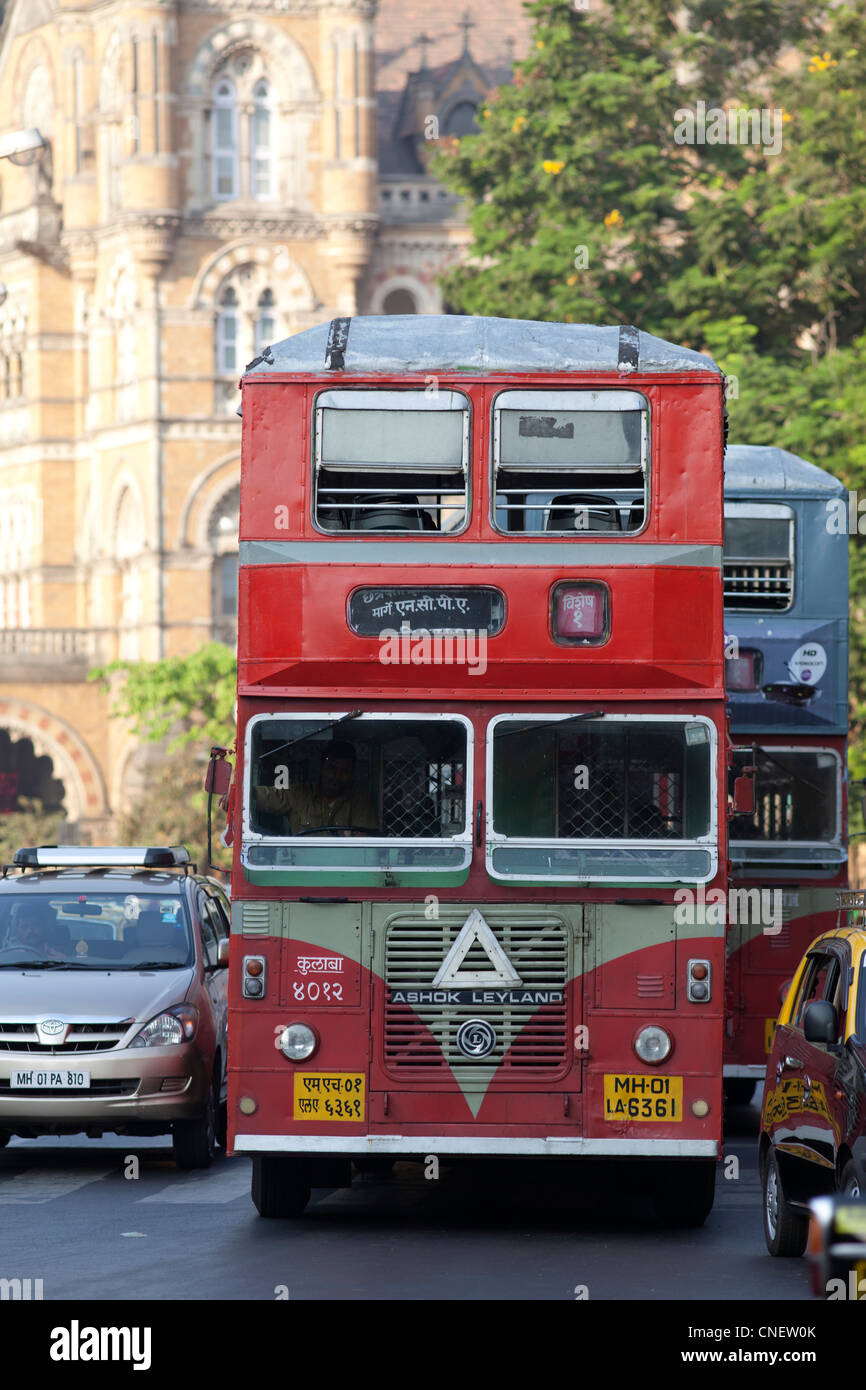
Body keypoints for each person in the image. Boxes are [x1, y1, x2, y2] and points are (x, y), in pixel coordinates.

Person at [254, 741, 379, 835]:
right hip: (300, 866)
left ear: (351, 773)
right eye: (332, 768)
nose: (337, 776)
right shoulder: (299, 794)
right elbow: (266, 797)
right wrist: (241, 792)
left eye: (345, 771)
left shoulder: (359, 800)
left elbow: (366, 843)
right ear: (322, 767)